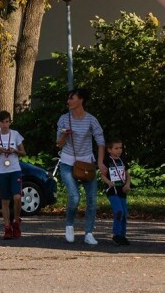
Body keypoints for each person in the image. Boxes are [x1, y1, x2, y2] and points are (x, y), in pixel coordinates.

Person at [56, 88, 106, 245]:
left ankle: (89, 233)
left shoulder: (91, 120)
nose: (68, 101)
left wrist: (100, 163)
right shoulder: (64, 119)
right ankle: (69, 225)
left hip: (87, 164)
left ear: (81, 100)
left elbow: (101, 142)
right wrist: (64, 134)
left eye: (72, 98)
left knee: (92, 199)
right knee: (74, 196)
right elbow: (59, 144)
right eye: (68, 99)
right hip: (67, 162)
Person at [0, 111, 26, 239]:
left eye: (7, 122)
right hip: (1, 171)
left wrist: (15, 150)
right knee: (4, 201)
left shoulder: (15, 134)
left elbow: (23, 152)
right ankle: (7, 227)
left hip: (14, 169)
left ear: (10, 122)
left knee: (17, 197)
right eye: (2, 122)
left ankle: (16, 222)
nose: (5, 125)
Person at [101, 138, 131, 246]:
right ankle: (116, 234)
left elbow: (127, 174)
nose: (119, 150)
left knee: (124, 213)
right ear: (109, 150)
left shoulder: (122, 160)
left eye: (120, 148)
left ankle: (122, 235)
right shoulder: (106, 161)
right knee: (118, 211)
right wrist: (108, 182)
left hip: (122, 190)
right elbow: (102, 175)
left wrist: (127, 184)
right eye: (116, 148)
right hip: (112, 191)